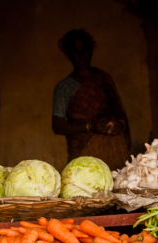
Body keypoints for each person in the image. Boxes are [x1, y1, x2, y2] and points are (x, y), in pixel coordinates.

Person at [51, 30, 131, 169]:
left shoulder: (104, 79)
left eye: (85, 49)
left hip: (114, 148)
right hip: (83, 152)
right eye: (76, 51)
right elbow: (57, 126)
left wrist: (120, 125)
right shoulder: (63, 87)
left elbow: (119, 113)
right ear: (69, 55)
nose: (81, 55)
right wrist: (89, 127)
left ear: (91, 51)